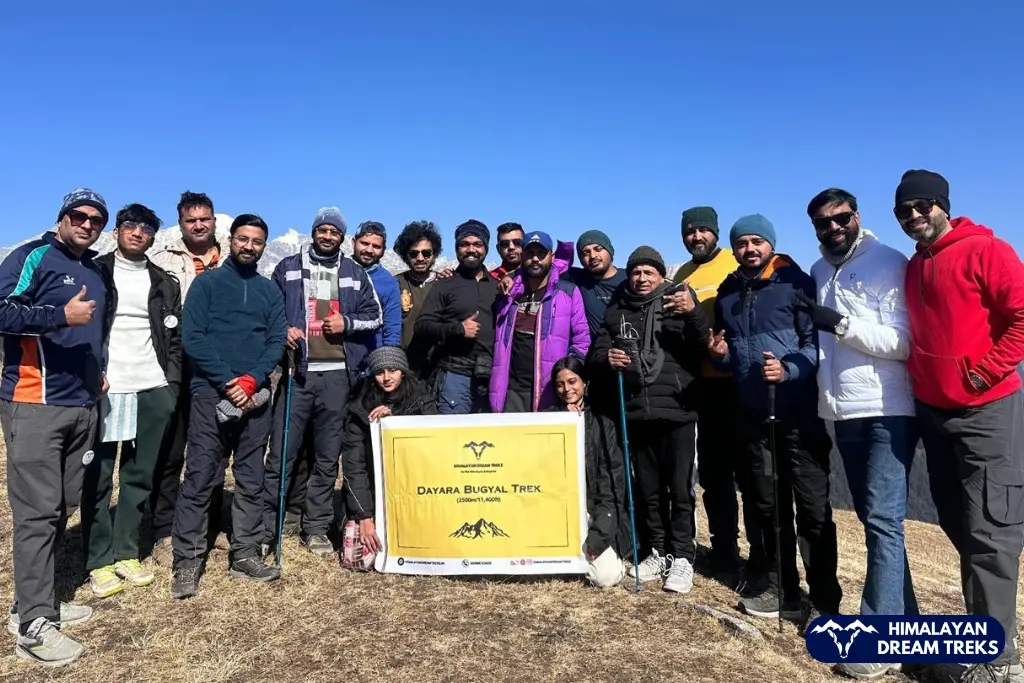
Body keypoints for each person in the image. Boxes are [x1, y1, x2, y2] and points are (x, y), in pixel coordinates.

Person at [895, 170, 1024, 683]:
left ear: (943, 205)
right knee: (958, 519)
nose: (913, 216)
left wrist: (985, 370)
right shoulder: (914, 266)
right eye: (903, 210)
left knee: (991, 527)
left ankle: (1001, 661)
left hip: (986, 408)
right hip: (934, 411)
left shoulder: (986, 251)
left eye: (922, 206)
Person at [800, 188, 919, 680]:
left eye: (841, 218)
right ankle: (907, 629)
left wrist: (842, 323)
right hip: (842, 411)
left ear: (857, 216)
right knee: (878, 522)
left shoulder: (890, 263)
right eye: (823, 223)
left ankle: (877, 645)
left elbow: (904, 342)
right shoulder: (819, 269)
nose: (833, 228)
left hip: (889, 410)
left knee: (883, 523)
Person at [709, 214, 842, 628]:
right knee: (767, 507)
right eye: (742, 243)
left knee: (812, 509)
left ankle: (823, 599)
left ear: (770, 243)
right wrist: (721, 355)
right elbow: (738, 352)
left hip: (799, 414)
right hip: (752, 413)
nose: (749, 249)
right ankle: (781, 588)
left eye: (756, 242)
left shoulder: (795, 283)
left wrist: (789, 371)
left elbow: (814, 345)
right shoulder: (729, 291)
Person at [0, 188, 109, 666]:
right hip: (35, 401)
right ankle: (32, 628)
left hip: (81, 403)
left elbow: (92, 331)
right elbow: (1, 310)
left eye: (96, 220)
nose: (88, 225)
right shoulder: (34, 256)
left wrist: (96, 367)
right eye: (80, 216)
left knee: (62, 505)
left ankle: (37, 603)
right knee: (36, 515)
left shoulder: (94, 268)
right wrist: (59, 315)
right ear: (62, 217)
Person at [171, 214, 287, 599]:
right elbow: (193, 338)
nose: (249, 246)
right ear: (231, 240)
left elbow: (274, 342)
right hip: (210, 392)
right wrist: (227, 381)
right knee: (201, 475)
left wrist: (252, 380)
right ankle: (187, 560)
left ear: (263, 246)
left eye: (256, 241)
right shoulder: (207, 285)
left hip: (255, 398)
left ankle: (245, 554)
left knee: (251, 478)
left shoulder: (269, 291)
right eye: (243, 239)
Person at [263, 207, 382, 556]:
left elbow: (373, 316)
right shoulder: (287, 268)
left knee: (328, 456)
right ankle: (273, 523)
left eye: (334, 232)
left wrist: (347, 322)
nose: (328, 236)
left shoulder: (354, 271)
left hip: (337, 376)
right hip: (297, 372)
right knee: (283, 454)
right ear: (313, 232)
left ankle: (315, 527)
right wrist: (282, 331)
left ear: (342, 237)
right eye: (323, 230)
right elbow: (271, 313)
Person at [589, 246, 708, 593]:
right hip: (637, 412)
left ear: (660, 275)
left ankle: (683, 556)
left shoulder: (678, 302)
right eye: (636, 272)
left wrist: (696, 313)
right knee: (649, 489)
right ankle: (658, 550)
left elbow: (703, 346)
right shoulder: (618, 309)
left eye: (648, 272)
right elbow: (597, 351)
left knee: (681, 489)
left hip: (678, 410)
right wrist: (605, 359)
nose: (641, 278)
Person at [82, 204, 181, 599]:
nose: (137, 232)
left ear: (155, 236)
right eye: (130, 226)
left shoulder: (163, 281)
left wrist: (170, 386)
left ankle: (126, 551)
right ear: (118, 231)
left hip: (152, 386)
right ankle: (98, 558)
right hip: (107, 387)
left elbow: (173, 337)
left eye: (146, 228)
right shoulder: (95, 271)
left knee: (140, 474)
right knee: (100, 473)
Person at [673, 206, 762, 583]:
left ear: (716, 233)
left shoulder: (733, 263)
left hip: (737, 383)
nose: (697, 237)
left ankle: (760, 558)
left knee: (751, 474)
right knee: (714, 474)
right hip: (701, 384)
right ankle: (724, 551)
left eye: (704, 231)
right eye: (690, 232)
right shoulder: (680, 273)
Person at [148, 191, 231, 566]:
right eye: (190, 220)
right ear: (180, 223)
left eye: (205, 219)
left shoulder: (233, 254)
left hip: (221, 362)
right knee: (171, 447)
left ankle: (208, 524)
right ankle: (165, 529)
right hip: (176, 360)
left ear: (214, 220)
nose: (198, 225)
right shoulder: (161, 258)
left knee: (212, 450)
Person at [341, 346, 437, 560]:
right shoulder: (359, 407)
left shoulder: (421, 398)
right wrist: (364, 517)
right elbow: (354, 467)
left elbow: (435, 446)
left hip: (415, 488)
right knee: (357, 559)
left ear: (402, 371)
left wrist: (396, 420)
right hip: (374, 491)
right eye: (379, 372)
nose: (386, 378)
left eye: (392, 370)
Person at [548, 356, 632, 588]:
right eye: (560, 384)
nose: (567, 389)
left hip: (595, 514)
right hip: (561, 514)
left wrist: (597, 539)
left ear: (584, 383)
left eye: (572, 381)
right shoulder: (547, 420)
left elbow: (612, 486)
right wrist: (561, 422)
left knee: (604, 578)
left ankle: (612, 558)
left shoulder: (603, 424)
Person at [490, 231, 590, 412]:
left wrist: (569, 379)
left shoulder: (568, 293)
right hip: (510, 391)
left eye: (541, 254)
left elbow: (582, 340)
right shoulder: (508, 294)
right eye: (530, 253)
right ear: (522, 257)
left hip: (551, 390)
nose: (535, 259)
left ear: (551, 257)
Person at [413, 219, 499, 414]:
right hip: (455, 376)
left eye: (477, 244)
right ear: (457, 248)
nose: (471, 249)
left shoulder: (497, 286)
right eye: (464, 244)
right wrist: (458, 329)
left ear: (485, 248)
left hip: (491, 379)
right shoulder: (445, 284)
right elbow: (422, 326)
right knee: (453, 438)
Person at [393, 220, 444, 376]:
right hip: (404, 365)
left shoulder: (444, 284)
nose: (420, 258)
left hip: (438, 364)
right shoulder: (396, 283)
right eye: (414, 253)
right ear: (405, 255)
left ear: (434, 254)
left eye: (426, 253)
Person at [564, 230, 626, 341]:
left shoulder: (630, 278)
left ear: (610, 251)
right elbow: (551, 269)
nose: (592, 255)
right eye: (585, 253)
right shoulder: (578, 279)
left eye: (598, 249)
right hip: (594, 354)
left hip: (628, 351)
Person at [351, 221, 401, 350]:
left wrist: (388, 360)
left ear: (383, 250)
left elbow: (392, 327)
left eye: (376, 246)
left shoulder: (389, 282)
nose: (369, 250)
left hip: (373, 356)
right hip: (340, 355)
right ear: (353, 242)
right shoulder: (338, 271)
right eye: (364, 243)